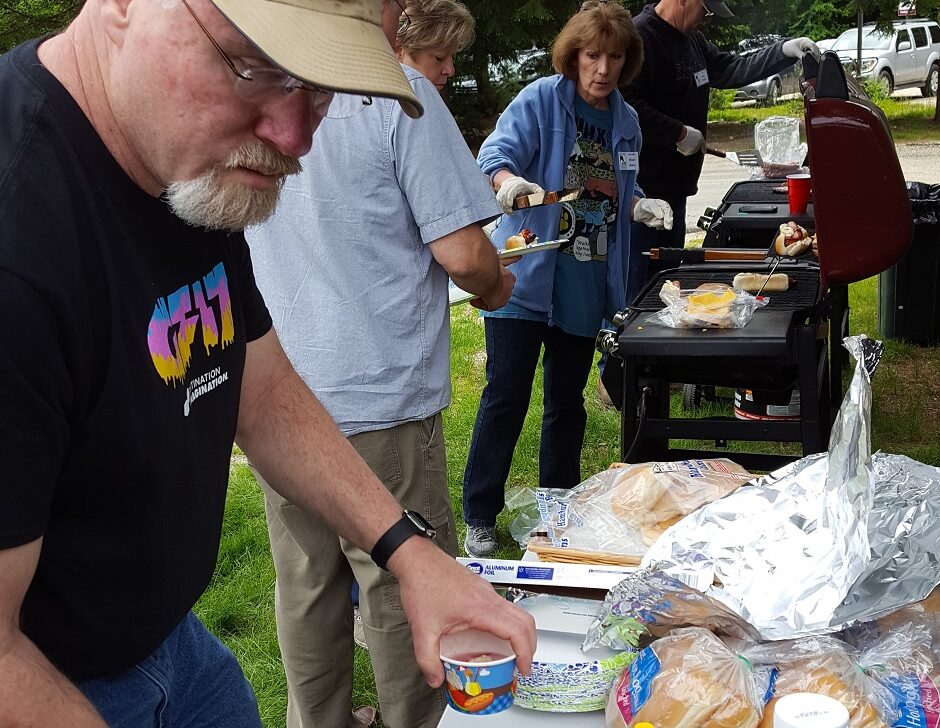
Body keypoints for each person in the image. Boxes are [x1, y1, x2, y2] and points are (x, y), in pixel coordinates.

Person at [0, 1, 536, 726]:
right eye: (252, 66)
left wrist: (411, 553)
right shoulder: (22, 237)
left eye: (322, 89)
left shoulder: (176, 159)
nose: (293, 138)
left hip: (173, 647)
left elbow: (261, 383)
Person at [245, 0, 512, 726]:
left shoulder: (266, 83)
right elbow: (462, 254)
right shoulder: (398, 92)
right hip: (380, 397)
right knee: (402, 583)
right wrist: (496, 283)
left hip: (281, 397)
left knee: (305, 587)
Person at [461, 0, 673, 557]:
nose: (602, 68)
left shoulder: (625, 122)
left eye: (614, 57)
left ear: (627, 62)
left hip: (584, 279)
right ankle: (480, 515)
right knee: (505, 396)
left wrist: (639, 207)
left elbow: (614, 188)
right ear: (574, 55)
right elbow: (494, 154)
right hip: (525, 276)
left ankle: (558, 513)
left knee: (566, 402)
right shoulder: (540, 100)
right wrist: (507, 183)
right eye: (592, 55)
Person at [622, 0, 819, 245]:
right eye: (706, 11)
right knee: (642, 278)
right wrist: (677, 133)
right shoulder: (641, 36)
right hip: (644, 194)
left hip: (677, 189)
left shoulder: (692, 40)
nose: (707, 20)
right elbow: (626, 103)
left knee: (669, 272)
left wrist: (783, 51)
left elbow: (732, 68)